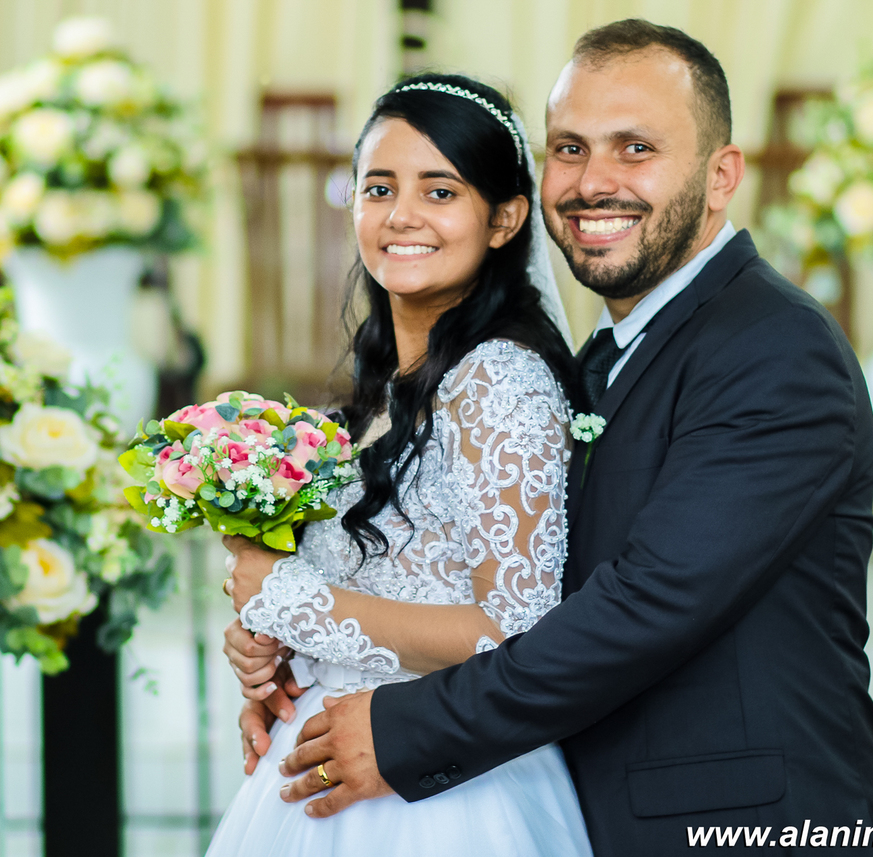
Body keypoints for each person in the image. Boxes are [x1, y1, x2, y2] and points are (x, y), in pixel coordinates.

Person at [242, 20, 873, 857]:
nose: (595, 182)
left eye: (635, 149)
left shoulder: (775, 350)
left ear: (721, 175)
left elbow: (644, 607)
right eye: (570, 148)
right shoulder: (598, 359)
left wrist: (401, 727)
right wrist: (303, 657)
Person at [207, 72, 594, 857]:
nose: (402, 215)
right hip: (323, 770)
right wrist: (276, 651)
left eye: (440, 191)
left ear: (505, 218)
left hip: (445, 795)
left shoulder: (501, 379)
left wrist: (288, 596)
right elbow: (383, 588)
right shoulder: (382, 389)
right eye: (378, 187)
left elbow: (513, 630)